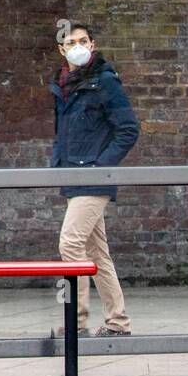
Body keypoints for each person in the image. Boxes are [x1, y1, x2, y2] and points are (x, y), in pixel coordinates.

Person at [51, 22, 139, 337]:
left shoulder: (104, 82)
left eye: (83, 40)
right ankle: (118, 321)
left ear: (93, 44)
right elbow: (64, 133)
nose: (78, 45)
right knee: (97, 252)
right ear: (62, 50)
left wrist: (101, 166)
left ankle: (77, 320)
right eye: (71, 42)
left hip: (93, 177)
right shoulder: (64, 86)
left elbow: (128, 128)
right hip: (74, 174)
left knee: (70, 243)